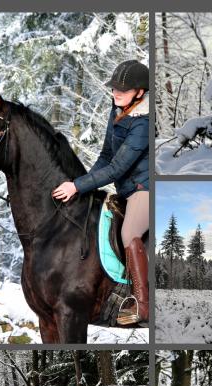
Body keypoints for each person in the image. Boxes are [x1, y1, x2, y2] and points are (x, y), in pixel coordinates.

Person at [52, 60, 149, 326]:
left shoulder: (144, 124)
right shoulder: (117, 110)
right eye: (114, 88)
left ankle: (142, 305)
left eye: (123, 90)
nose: (115, 93)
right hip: (125, 189)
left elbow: (118, 167)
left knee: (130, 233)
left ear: (139, 93)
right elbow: (107, 155)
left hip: (146, 188)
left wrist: (78, 185)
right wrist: (83, 184)